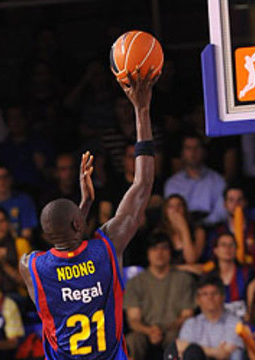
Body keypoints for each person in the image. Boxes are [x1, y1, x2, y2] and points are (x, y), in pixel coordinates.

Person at [19, 68, 158, 360]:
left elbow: (59, 245)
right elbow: (143, 184)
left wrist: (81, 212)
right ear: (77, 223)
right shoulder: (105, 248)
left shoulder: (32, 268)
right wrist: (141, 109)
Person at [124, 232, 195, 360]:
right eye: (154, 248)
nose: (159, 253)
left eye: (164, 248)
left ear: (170, 252)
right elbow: (133, 320)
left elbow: (187, 315)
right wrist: (150, 331)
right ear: (148, 253)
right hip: (145, 332)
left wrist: (163, 329)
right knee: (133, 340)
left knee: (176, 339)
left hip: (173, 329)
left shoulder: (184, 279)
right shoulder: (136, 282)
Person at [174, 275, 244, 360]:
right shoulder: (190, 324)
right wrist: (214, 351)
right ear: (198, 299)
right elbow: (180, 349)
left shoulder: (235, 322)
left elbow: (224, 355)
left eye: (214, 293)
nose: (210, 298)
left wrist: (192, 349)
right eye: (205, 294)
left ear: (223, 297)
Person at [212, 184, 255, 274]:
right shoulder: (218, 231)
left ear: (245, 202)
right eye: (231, 200)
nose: (236, 204)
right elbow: (211, 261)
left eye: (240, 200)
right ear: (225, 204)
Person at [164, 134, 227, 225]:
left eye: (197, 148)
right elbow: (172, 213)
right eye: (188, 148)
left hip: (210, 227)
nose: (193, 152)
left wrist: (202, 225)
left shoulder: (218, 180)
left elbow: (221, 212)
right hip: (182, 226)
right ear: (182, 153)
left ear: (204, 152)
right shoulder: (173, 183)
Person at [156, 194, 206, 264]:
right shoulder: (159, 233)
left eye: (179, 205)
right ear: (165, 211)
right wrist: (184, 268)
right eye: (171, 206)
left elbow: (191, 259)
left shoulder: (198, 231)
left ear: (184, 209)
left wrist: (184, 228)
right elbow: (159, 264)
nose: (176, 210)